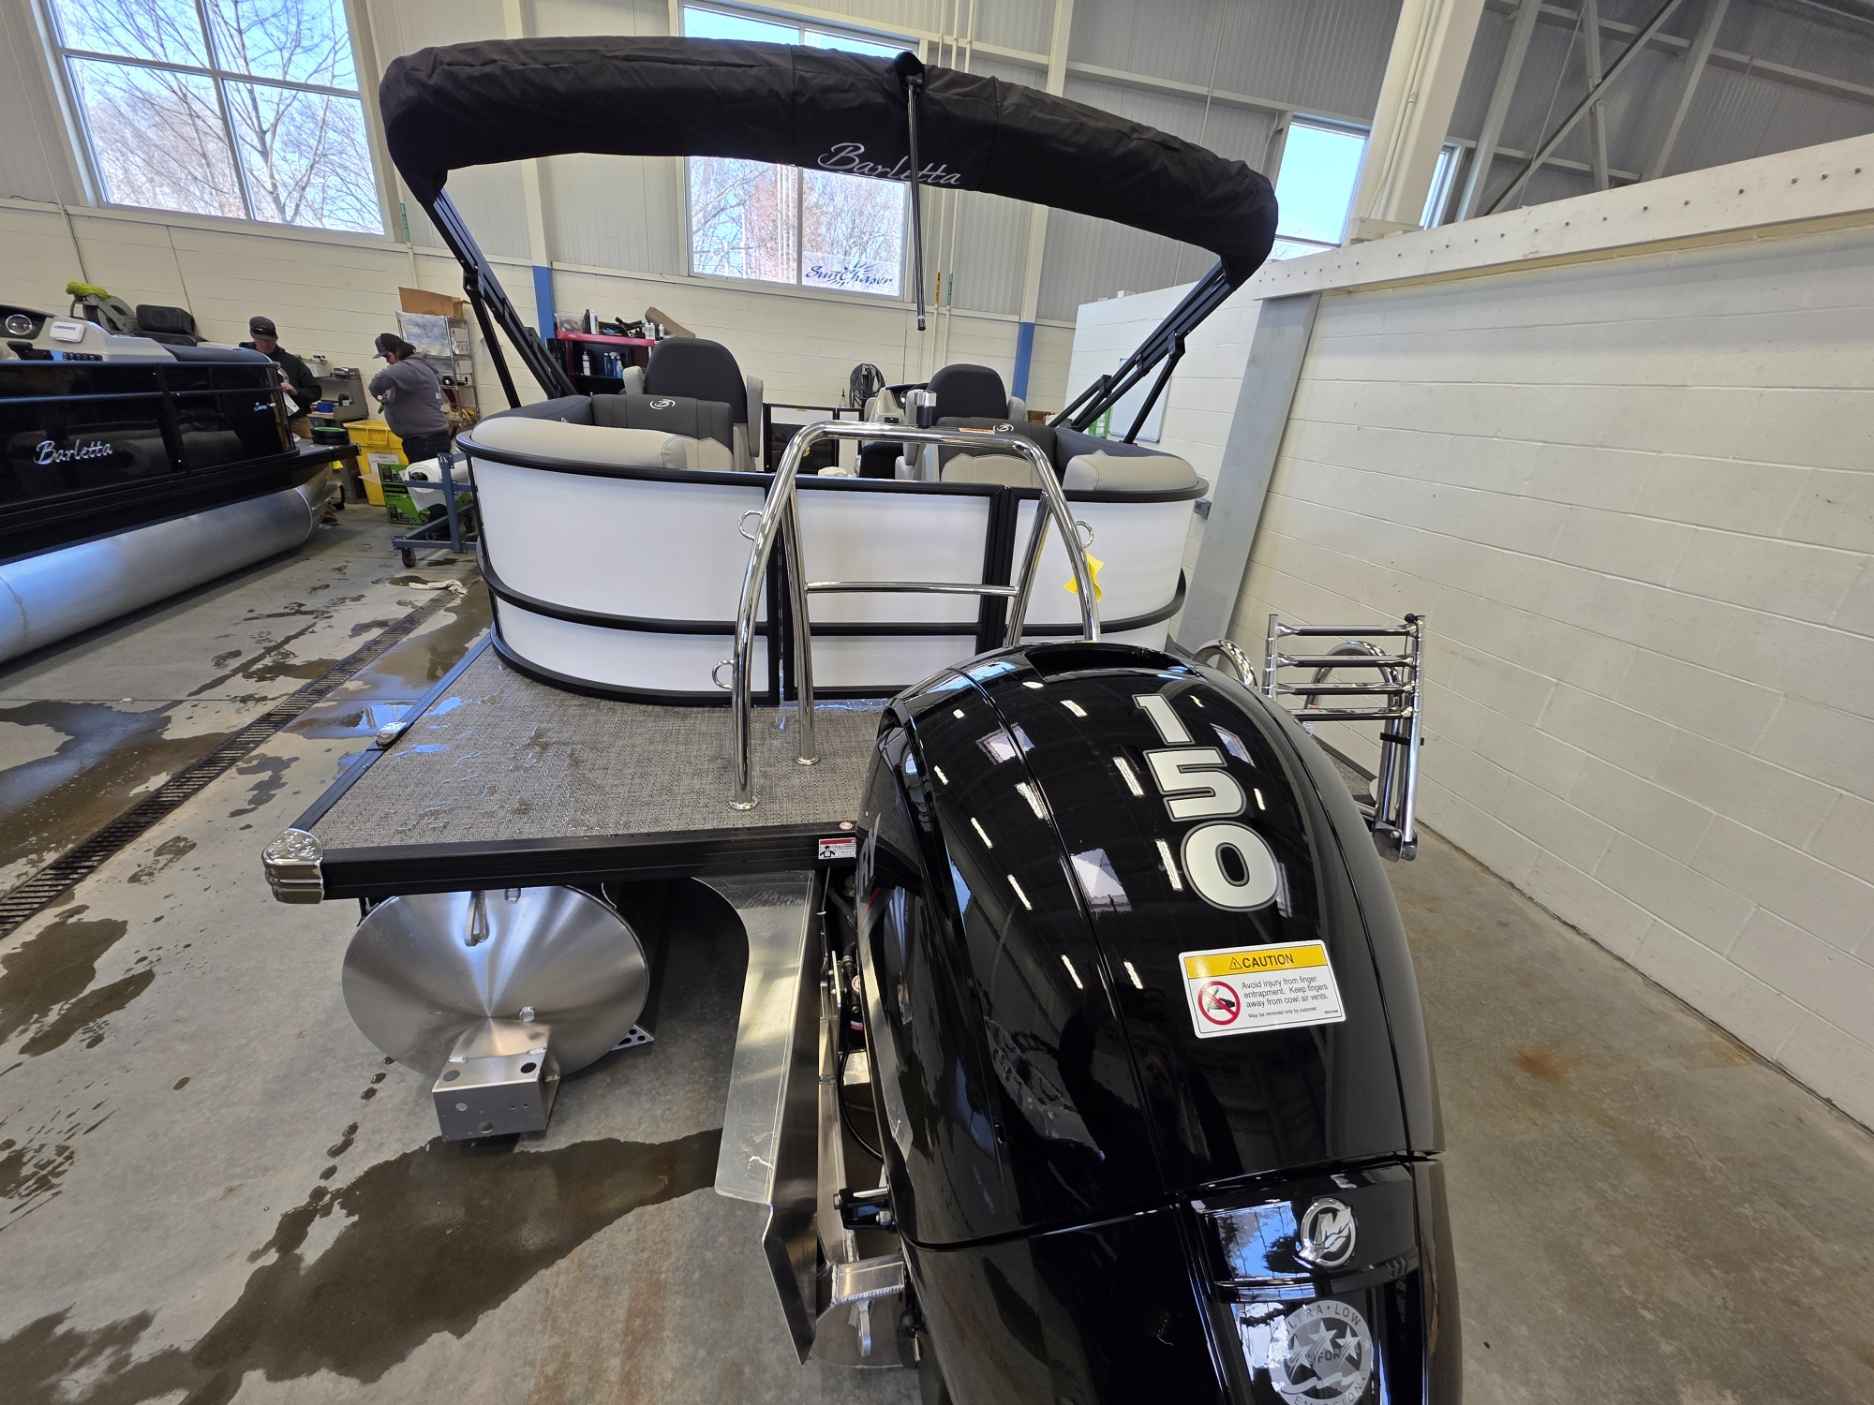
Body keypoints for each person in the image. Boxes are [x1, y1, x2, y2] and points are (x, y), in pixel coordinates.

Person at [368, 332, 453, 464]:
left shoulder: (409, 367)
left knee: (427, 477)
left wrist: (379, 396)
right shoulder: (416, 366)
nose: (387, 361)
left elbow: (377, 383)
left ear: (396, 351)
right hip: (425, 440)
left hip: (425, 442)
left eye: (387, 356)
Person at [242, 315, 321, 439]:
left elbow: (315, 392)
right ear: (253, 338)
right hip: (256, 421)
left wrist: (295, 391)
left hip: (294, 420)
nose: (266, 344)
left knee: (308, 446)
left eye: (270, 340)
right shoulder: (241, 360)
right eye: (262, 340)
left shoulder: (292, 362)